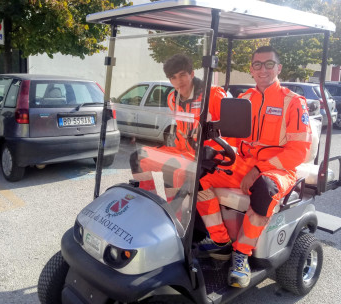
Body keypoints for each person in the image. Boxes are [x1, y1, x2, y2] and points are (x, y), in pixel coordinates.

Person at [196, 46, 312, 288]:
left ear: (278, 68)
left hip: (279, 169)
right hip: (245, 163)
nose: (263, 69)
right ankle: (220, 241)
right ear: (251, 69)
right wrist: (212, 149)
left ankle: (241, 255)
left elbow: (298, 151)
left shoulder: (293, 102)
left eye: (269, 64)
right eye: (257, 64)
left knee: (263, 189)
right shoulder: (244, 100)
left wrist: (259, 170)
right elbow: (234, 141)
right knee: (199, 177)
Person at [130, 54, 227, 203]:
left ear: (192, 74)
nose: (178, 81)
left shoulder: (213, 95)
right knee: (138, 157)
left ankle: (177, 215)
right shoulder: (172, 98)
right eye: (173, 77)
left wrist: (212, 151)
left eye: (182, 75)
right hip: (181, 150)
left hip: (206, 155)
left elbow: (230, 135)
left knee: (174, 168)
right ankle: (147, 201)